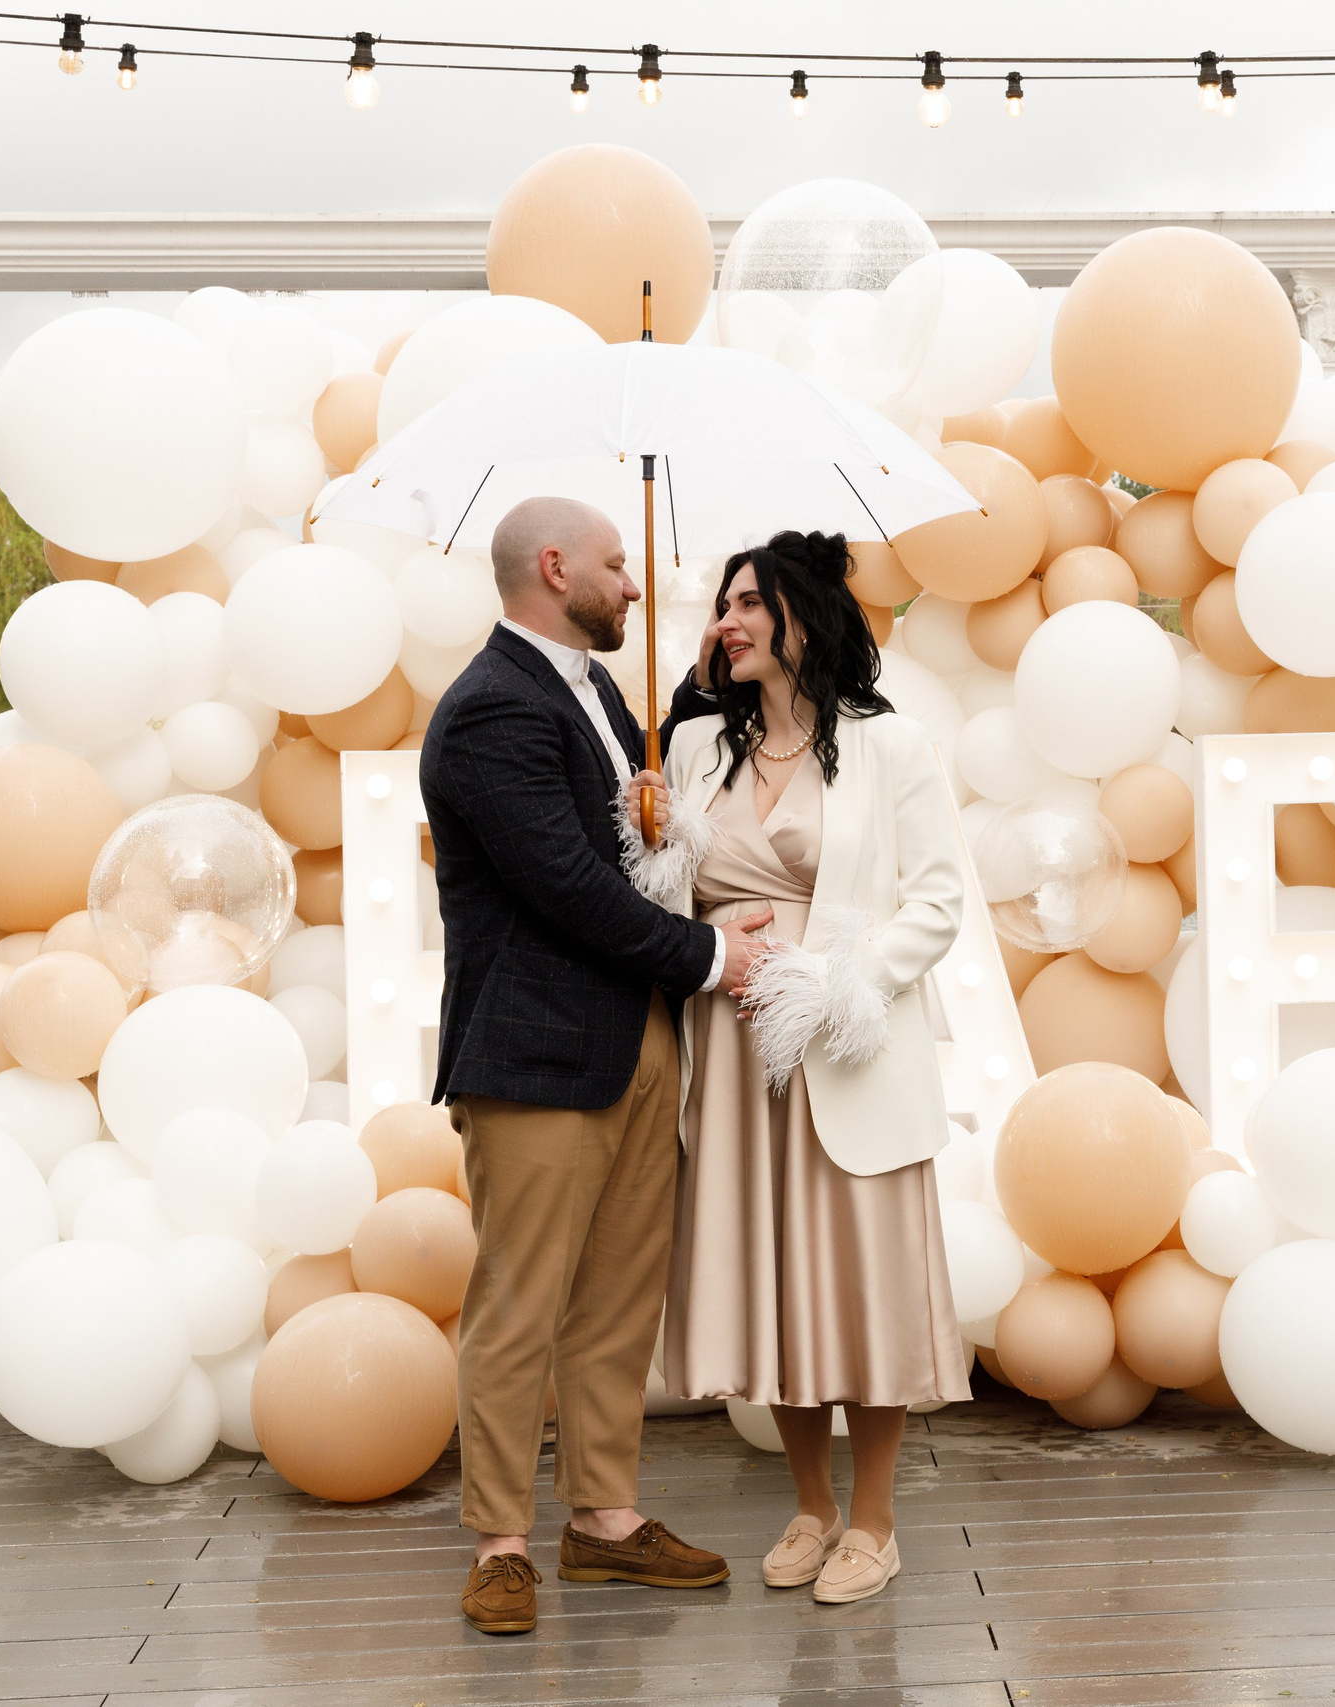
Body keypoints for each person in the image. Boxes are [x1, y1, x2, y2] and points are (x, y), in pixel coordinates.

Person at [418, 496, 776, 1636]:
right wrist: (716, 957)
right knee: (519, 1304)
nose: (634, 587)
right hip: (532, 1060)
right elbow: (569, 889)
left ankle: (605, 1524)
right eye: (618, 568)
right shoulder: (487, 712)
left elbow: (632, 814)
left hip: (634, 1045)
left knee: (620, 1302)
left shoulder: (594, 693)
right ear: (555, 566)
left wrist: (711, 674)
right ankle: (502, 1545)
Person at [624, 529, 974, 1607]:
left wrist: (826, 979)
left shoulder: (892, 746)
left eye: (742, 604)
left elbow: (937, 903)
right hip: (731, 1056)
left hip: (842, 1049)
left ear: (800, 618)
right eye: (721, 606)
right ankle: (810, 1506)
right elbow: (660, 908)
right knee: (772, 1277)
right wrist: (654, 853)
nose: (723, 622)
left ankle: (874, 1521)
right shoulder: (688, 751)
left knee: (859, 1286)